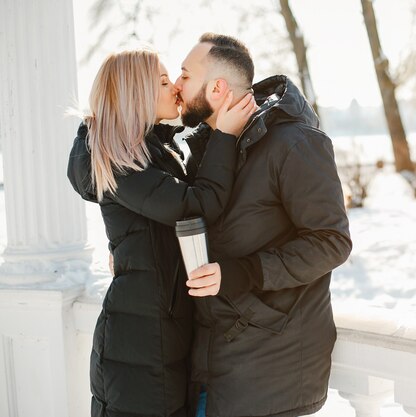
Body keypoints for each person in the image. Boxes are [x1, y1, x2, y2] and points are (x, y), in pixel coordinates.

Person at [66, 48, 257, 417]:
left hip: (159, 336)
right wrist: (225, 137)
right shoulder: (121, 160)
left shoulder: (151, 149)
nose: (175, 89)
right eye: (164, 81)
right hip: (138, 349)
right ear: (137, 92)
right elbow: (197, 207)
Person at [175, 33, 353, 417]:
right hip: (213, 364)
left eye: (185, 76)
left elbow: (332, 242)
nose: (176, 85)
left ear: (217, 87)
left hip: (269, 373)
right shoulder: (210, 150)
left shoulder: (294, 143)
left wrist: (244, 273)